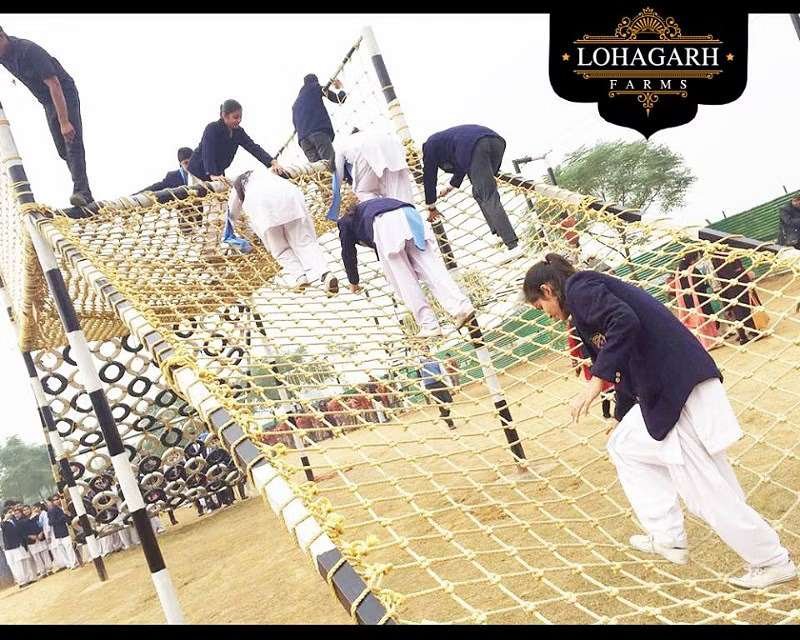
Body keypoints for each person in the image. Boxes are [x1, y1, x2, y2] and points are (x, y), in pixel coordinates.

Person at [522, 253, 797, 589]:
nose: (546, 314)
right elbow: (625, 361)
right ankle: (667, 536)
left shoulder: (580, 287)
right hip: (677, 388)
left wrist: (595, 383)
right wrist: (620, 416)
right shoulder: (586, 303)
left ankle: (770, 561)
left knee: (706, 492)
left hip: (676, 391)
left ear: (548, 290)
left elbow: (624, 322)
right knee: (625, 446)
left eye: (540, 306)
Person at [337, 197, 474, 338]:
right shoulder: (369, 205)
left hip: (384, 224)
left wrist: (353, 281)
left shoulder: (345, 222)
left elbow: (348, 253)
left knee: (403, 279)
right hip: (408, 213)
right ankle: (462, 306)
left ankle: (429, 324)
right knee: (431, 267)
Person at [0, 25, 93, 207]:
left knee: (71, 141)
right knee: (62, 149)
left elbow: (54, 84)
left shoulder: (28, 51)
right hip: (47, 101)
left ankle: (82, 192)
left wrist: (64, 122)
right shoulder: (3, 54)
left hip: (62, 93)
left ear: (2, 36)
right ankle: (85, 192)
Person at [227, 168, 338, 294]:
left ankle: (300, 277)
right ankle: (326, 274)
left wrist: (229, 235)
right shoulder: (266, 173)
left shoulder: (239, 183)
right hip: (289, 199)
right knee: (304, 242)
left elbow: (231, 213)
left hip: (264, 208)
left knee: (280, 249)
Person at [422, 124, 518, 251]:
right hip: (496, 142)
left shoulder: (429, 148)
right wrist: (449, 188)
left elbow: (429, 176)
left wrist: (431, 206)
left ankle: (511, 241)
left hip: (477, 146)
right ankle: (498, 230)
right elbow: (463, 165)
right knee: (480, 192)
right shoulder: (447, 143)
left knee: (486, 194)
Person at [187, 99, 285, 183]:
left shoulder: (238, 132)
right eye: (235, 117)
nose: (239, 120)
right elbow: (208, 152)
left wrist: (272, 162)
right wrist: (212, 174)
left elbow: (253, 148)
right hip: (198, 171)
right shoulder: (212, 128)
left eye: (240, 117)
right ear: (224, 116)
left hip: (217, 171)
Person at [334, 128, 414, 203]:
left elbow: (338, 174)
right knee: (401, 197)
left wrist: (335, 198)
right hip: (394, 149)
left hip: (368, 150)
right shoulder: (373, 133)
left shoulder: (342, 145)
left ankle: (381, 212)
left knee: (364, 192)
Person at [667, 251, 719, 351]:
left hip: (687, 300)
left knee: (696, 322)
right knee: (704, 320)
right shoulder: (691, 270)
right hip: (698, 299)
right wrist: (706, 286)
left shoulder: (678, 270)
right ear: (692, 259)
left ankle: (705, 343)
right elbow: (699, 284)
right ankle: (710, 342)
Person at [292, 74, 347, 167]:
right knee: (332, 166)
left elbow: (295, 126)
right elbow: (340, 99)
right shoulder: (315, 87)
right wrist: (340, 88)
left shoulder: (295, 104)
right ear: (315, 81)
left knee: (320, 171)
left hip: (304, 141)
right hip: (318, 133)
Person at [566, 321, 614, 419]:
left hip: (597, 355)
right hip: (592, 357)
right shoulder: (575, 322)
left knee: (606, 385)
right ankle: (607, 413)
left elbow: (572, 343)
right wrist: (575, 361)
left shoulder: (576, 321)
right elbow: (573, 343)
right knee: (607, 385)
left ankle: (607, 413)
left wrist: (575, 361)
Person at [711, 254, 758, 346]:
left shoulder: (715, 259)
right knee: (743, 310)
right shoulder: (727, 257)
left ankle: (743, 335)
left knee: (736, 312)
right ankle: (750, 333)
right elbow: (737, 270)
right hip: (736, 286)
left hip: (727, 288)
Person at [418, 346, 456, 430]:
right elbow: (417, 365)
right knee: (440, 402)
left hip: (440, 382)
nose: (425, 350)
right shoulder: (420, 361)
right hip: (430, 384)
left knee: (449, 401)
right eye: (423, 350)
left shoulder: (435, 360)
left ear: (429, 350)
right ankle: (450, 423)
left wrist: (450, 384)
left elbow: (443, 372)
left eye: (426, 349)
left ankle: (444, 415)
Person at [1, 507, 36, 587]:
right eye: (9, 512)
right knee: (17, 565)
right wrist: (5, 519)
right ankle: (22, 581)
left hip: (20, 545)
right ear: (5, 514)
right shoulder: (3, 523)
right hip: (11, 548)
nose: (11, 513)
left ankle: (29, 578)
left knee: (25, 562)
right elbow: (2, 527)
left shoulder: (15, 521)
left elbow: (21, 531)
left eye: (12, 512)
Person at [46, 496, 78, 569]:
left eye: (58, 499)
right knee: (63, 549)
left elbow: (70, 518)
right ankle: (69, 564)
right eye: (55, 500)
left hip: (68, 529)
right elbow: (51, 522)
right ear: (52, 502)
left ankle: (73, 563)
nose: (57, 501)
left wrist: (68, 515)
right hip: (59, 532)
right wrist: (63, 517)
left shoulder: (64, 507)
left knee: (69, 547)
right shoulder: (52, 510)